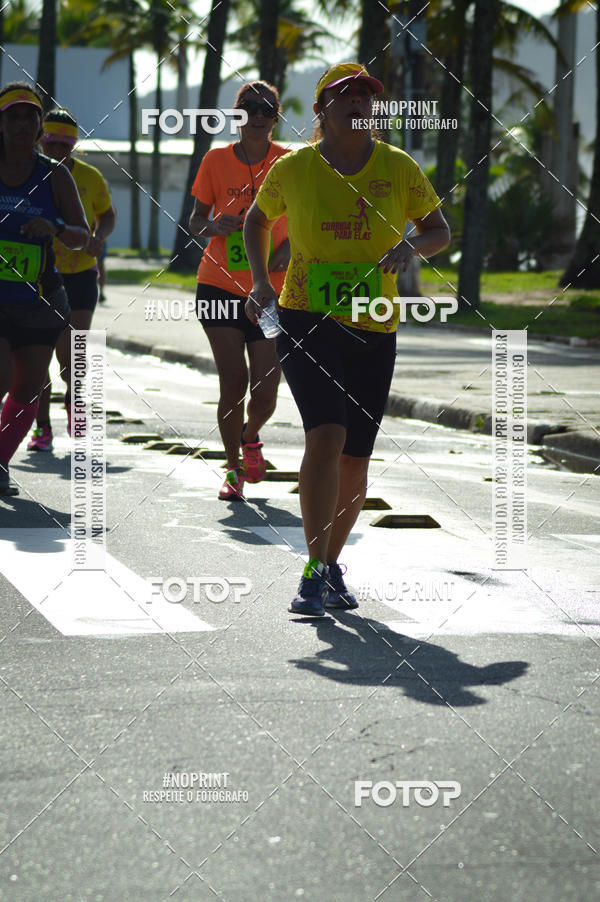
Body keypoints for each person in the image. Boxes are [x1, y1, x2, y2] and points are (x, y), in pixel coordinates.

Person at [244, 63, 451, 615]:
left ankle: (327, 564)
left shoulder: (399, 167)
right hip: (307, 316)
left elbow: (438, 230)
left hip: (374, 322)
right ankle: (314, 569)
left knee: (356, 458)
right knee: (327, 436)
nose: (359, 103)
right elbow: (256, 220)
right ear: (321, 111)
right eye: (346, 96)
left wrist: (411, 249)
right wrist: (263, 280)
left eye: (367, 96)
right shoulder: (296, 168)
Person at [188, 80, 290, 501]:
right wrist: (213, 227)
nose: (259, 115)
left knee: (265, 391)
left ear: (276, 117)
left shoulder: (291, 161)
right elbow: (195, 221)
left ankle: (250, 436)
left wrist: (288, 246)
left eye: (268, 109)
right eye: (250, 107)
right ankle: (232, 468)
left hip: (273, 292)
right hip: (219, 286)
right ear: (238, 113)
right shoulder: (215, 159)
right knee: (233, 381)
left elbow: (309, 218)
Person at [0, 83, 88, 496]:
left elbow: (80, 236)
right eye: (13, 115)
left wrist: (53, 227)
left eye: (29, 116)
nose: (21, 123)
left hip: (39, 298)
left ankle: (0, 460)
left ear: (39, 126)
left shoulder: (55, 175)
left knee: (28, 385)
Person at [27, 108, 116, 450]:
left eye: (66, 144)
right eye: (51, 143)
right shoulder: (27, 173)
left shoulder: (91, 177)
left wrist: (101, 236)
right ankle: (41, 426)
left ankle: (74, 402)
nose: (57, 151)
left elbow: (107, 214)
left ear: (75, 144)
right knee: (38, 357)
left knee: (72, 356)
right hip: (37, 275)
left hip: (79, 276)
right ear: (40, 139)